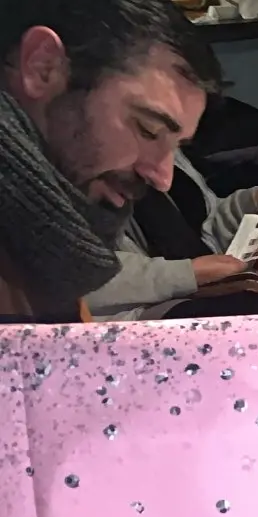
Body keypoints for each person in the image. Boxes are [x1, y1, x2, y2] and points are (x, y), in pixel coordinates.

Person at [0, 0, 222, 319]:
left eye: (177, 147)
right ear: (42, 67)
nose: (163, 179)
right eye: (148, 129)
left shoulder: (49, 243)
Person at [86, 148, 258, 317]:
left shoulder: (169, 158)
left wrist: (252, 205)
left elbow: (208, 227)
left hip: (205, 284)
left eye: (177, 141)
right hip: (129, 316)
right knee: (257, 313)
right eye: (148, 131)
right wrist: (187, 274)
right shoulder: (80, 177)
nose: (165, 178)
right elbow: (81, 277)